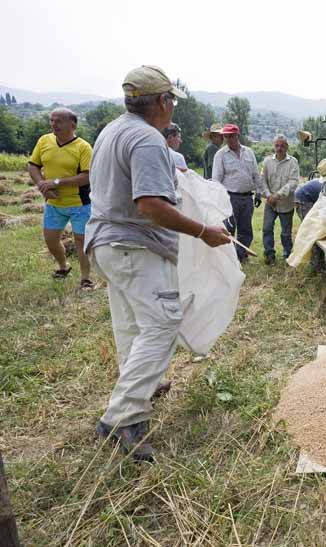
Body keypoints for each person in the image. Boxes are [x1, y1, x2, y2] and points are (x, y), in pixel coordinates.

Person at [84, 65, 231, 461]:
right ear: (163, 102)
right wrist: (203, 231)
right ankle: (122, 418)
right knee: (163, 323)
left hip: (106, 242)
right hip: (135, 245)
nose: (172, 108)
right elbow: (150, 205)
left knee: (132, 323)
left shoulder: (111, 131)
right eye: (172, 101)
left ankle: (139, 392)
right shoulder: (148, 139)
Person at [27, 108, 94, 289]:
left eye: (58, 121)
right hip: (54, 203)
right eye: (52, 120)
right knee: (50, 240)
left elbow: (86, 176)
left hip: (80, 204)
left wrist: (55, 182)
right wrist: (42, 185)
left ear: (72, 124)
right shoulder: (44, 141)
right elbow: (33, 166)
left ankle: (86, 279)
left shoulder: (83, 147)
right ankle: (63, 267)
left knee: (81, 241)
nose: (53, 124)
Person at [211, 124, 264, 263]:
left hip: (247, 197)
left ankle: (240, 256)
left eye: (231, 136)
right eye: (225, 136)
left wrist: (258, 193)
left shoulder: (249, 152)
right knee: (229, 230)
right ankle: (229, 259)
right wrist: (219, 199)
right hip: (230, 197)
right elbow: (216, 180)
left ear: (237, 136)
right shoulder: (220, 155)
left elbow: (255, 174)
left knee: (246, 230)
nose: (228, 139)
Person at [262, 134, 300, 264]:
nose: (279, 148)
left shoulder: (293, 162)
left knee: (285, 233)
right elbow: (263, 181)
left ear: (287, 147)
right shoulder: (267, 161)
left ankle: (288, 255)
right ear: (274, 146)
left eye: (282, 146)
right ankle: (269, 255)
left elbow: (293, 182)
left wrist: (277, 195)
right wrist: (268, 195)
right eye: (277, 145)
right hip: (270, 203)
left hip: (286, 203)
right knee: (267, 228)